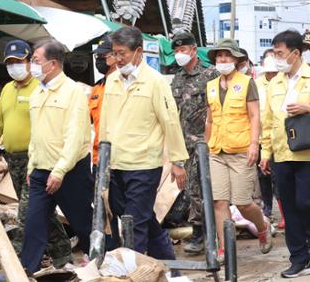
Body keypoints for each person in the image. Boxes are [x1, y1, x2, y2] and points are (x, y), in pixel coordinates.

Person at [0, 40, 71, 269]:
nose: (15, 66)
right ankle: (63, 255)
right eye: (10, 63)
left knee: (27, 214)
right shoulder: (7, 90)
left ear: (30, 62)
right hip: (13, 160)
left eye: (19, 61)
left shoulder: (41, 87)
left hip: (36, 160)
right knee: (41, 211)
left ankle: (16, 264)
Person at [99, 26, 187, 261]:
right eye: (115, 53)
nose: (117, 59)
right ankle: (169, 262)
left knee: (135, 223)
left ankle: (133, 270)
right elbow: (105, 121)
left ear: (138, 52)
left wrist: (178, 161)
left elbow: (170, 122)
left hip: (144, 164)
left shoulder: (155, 82)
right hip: (116, 162)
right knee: (132, 215)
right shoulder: (112, 81)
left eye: (122, 53)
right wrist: (101, 155)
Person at [20, 38, 93, 274]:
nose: (31, 65)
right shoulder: (37, 94)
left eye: (35, 60)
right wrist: (32, 165)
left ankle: (107, 263)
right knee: (33, 224)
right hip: (41, 171)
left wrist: (60, 170)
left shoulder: (73, 93)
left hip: (70, 172)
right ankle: (25, 272)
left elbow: (74, 137)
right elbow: (37, 135)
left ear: (52, 64)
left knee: (83, 223)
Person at [205, 38, 272, 261]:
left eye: (227, 55)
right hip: (217, 151)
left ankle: (262, 226)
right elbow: (210, 120)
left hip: (241, 149)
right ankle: (225, 248)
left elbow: (255, 116)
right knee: (219, 202)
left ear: (236, 59)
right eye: (219, 56)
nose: (222, 59)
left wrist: (255, 144)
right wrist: (206, 146)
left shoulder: (246, 83)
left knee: (243, 203)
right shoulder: (211, 86)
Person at [260, 30, 310, 278]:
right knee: (289, 208)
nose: (276, 58)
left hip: (307, 154)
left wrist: (307, 107)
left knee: (306, 203)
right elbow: (267, 121)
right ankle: (299, 258)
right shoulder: (274, 83)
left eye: (280, 53)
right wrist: (265, 152)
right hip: (282, 154)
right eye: (274, 53)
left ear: (296, 53)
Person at [170, 31, 218, 254]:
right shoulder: (177, 78)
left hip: (205, 142)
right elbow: (172, 112)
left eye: (183, 50)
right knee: (190, 190)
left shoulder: (211, 75)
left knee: (204, 189)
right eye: (176, 51)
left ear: (194, 50)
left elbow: (218, 110)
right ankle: (202, 231)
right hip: (183, 144)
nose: (179, 54)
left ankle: (204, 233)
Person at [256, 55, 278, 222]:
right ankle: (267, 208)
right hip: (261, 137)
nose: (272, 75)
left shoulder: (282, 83)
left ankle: (284, 209)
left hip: (280, 138)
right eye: (269, 72)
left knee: (278, 177)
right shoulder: (257, 85)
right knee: (264, 175)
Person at [89, 35, 116, 167]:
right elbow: (87, 119)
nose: (99, 59)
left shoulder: (124, 85)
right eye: (97, 56)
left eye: (103, 55)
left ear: (116, 55)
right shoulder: (97, 88)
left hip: (119, 159)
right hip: (98, 158)